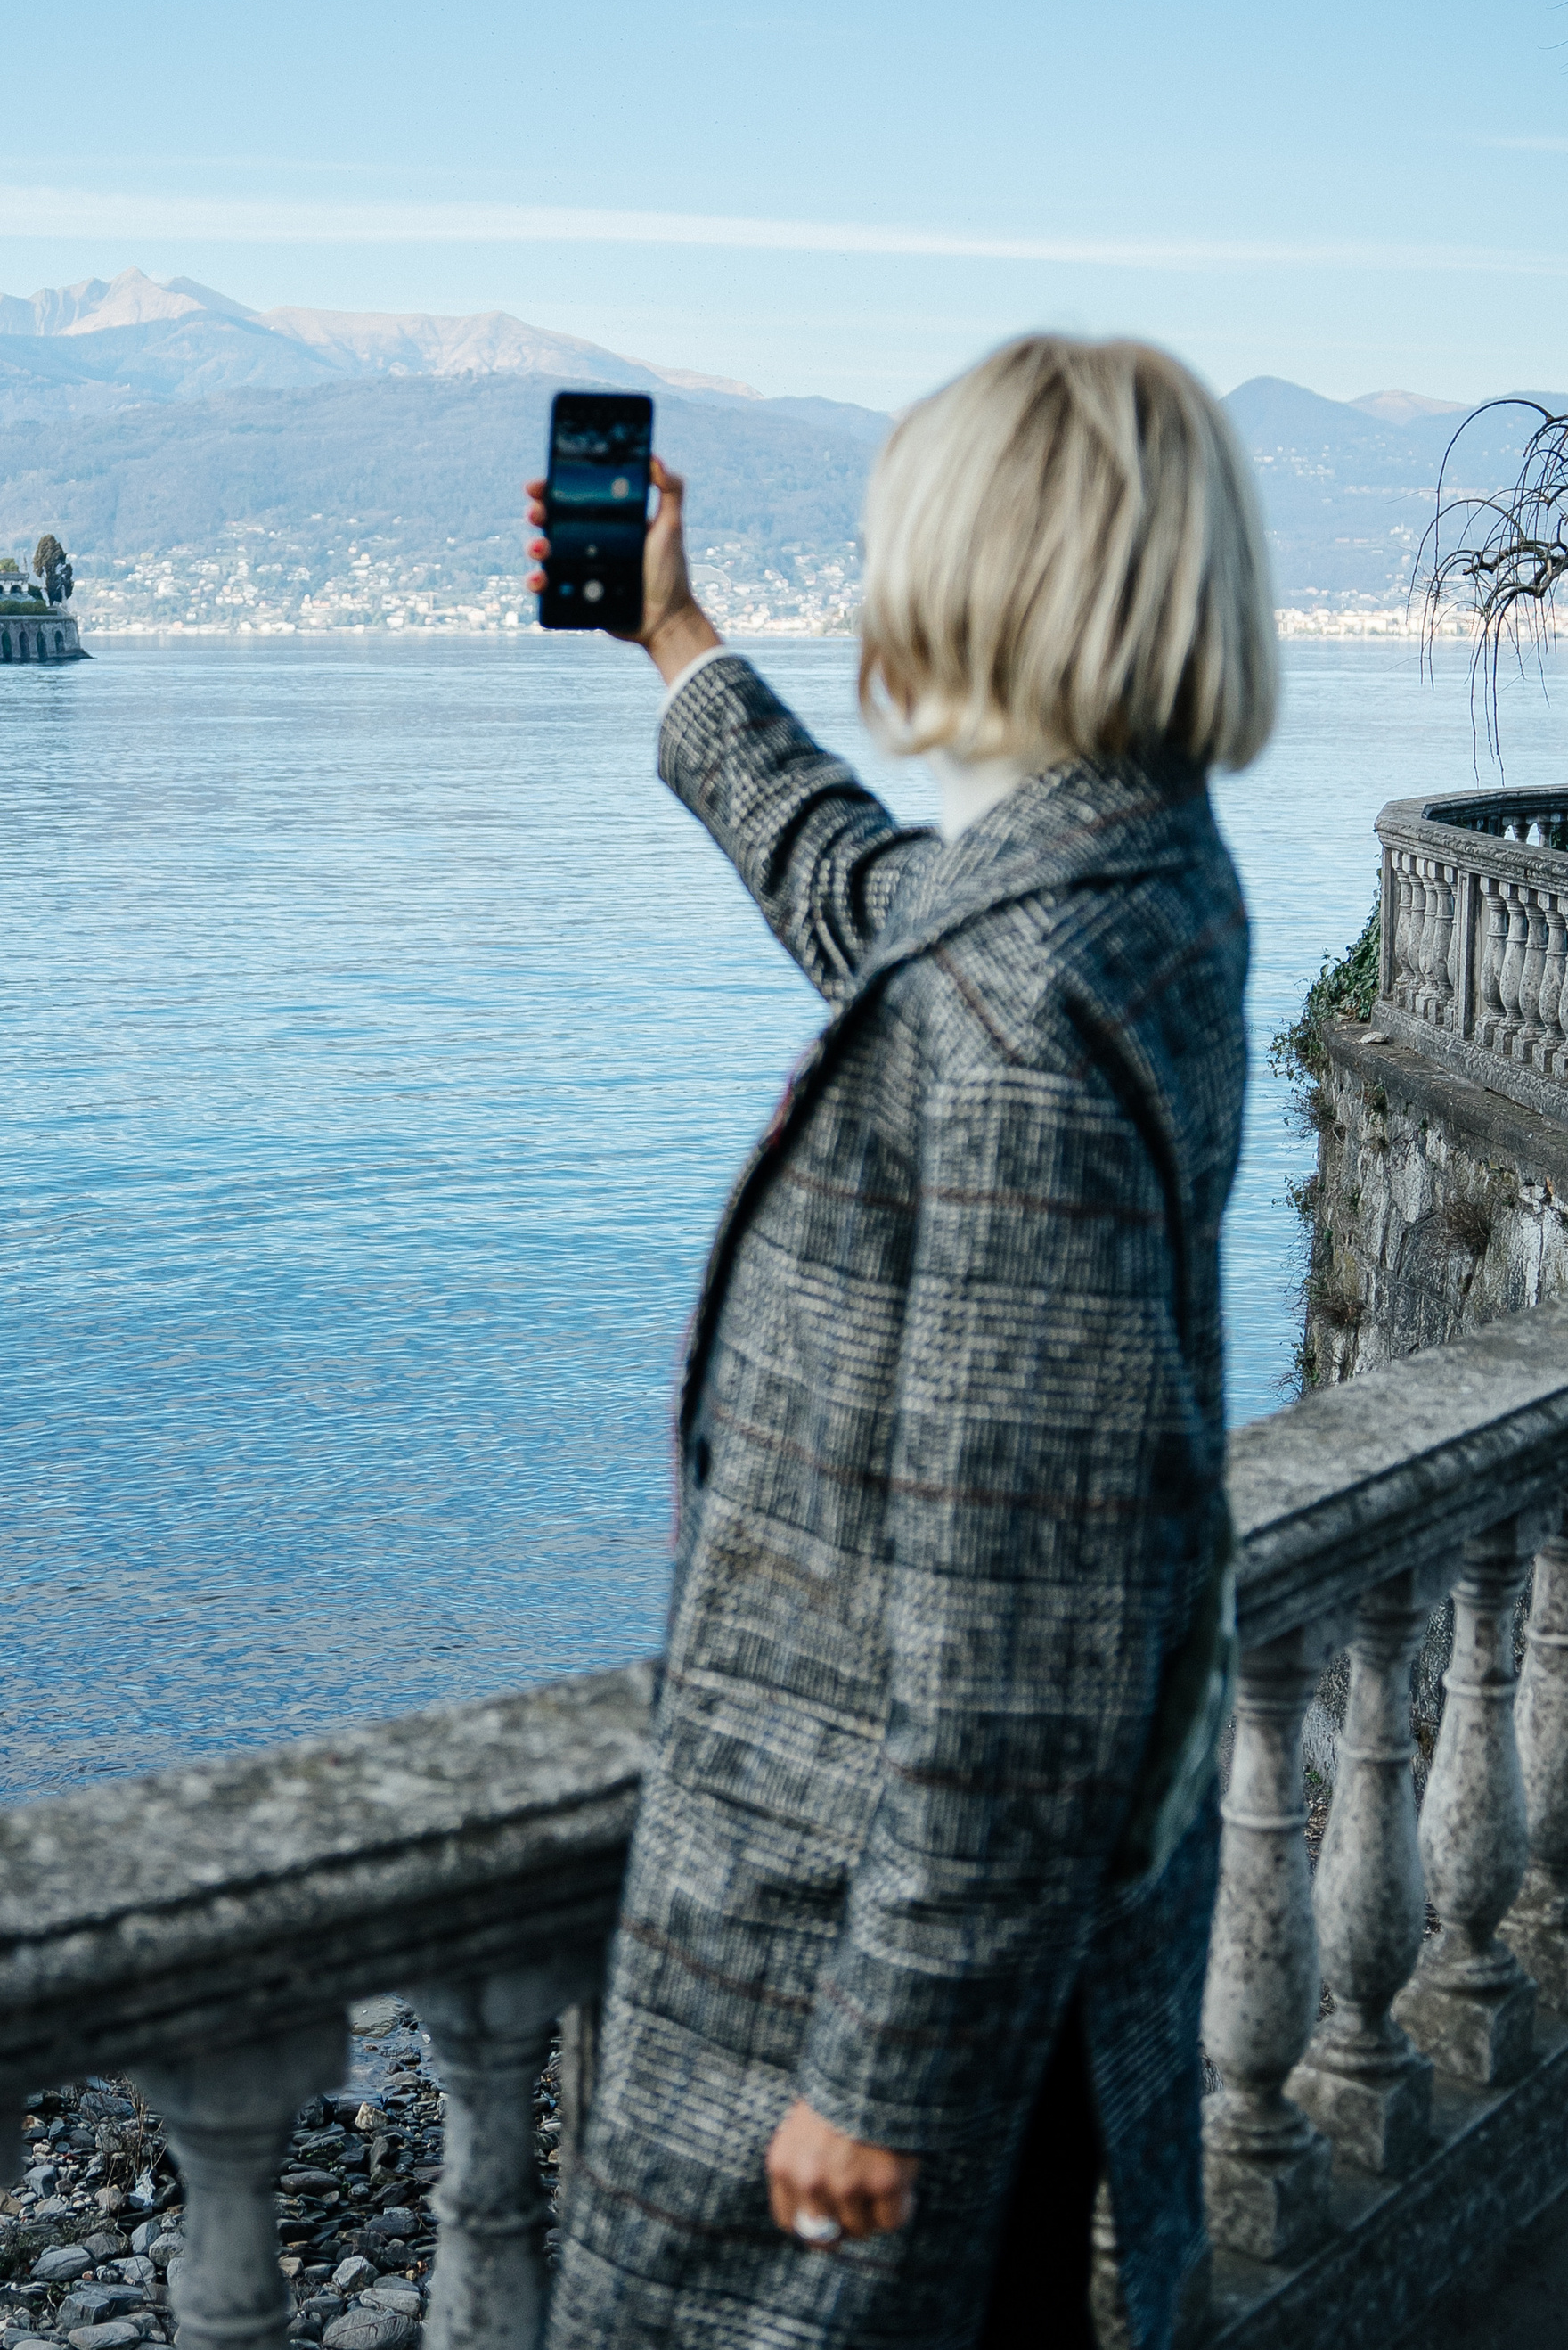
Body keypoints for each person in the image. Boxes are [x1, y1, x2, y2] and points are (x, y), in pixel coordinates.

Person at [529, 334, 1274, 2350]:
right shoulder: (1137, 886)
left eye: (895, 536)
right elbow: (884, 903)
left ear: (984, 573)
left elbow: (1020, 1646)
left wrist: (873, 2064)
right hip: (1023, 1979)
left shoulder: (1017, 1017)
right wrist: (673, 637)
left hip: (848, 1997)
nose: (875, 578)